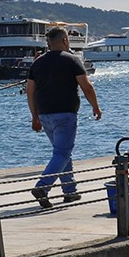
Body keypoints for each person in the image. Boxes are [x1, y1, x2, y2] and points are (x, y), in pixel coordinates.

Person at [25, 26, 102, 208]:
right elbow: (87, 87)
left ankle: (70, 191)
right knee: (62, 152)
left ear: (49, 43)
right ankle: (42, 187)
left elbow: (30, 92)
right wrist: (96, 107)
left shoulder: (37, 63)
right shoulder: (72, 60)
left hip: (44, 114)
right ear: (65, 40)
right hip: (65, 114)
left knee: (61, 152)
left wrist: (34, 117)